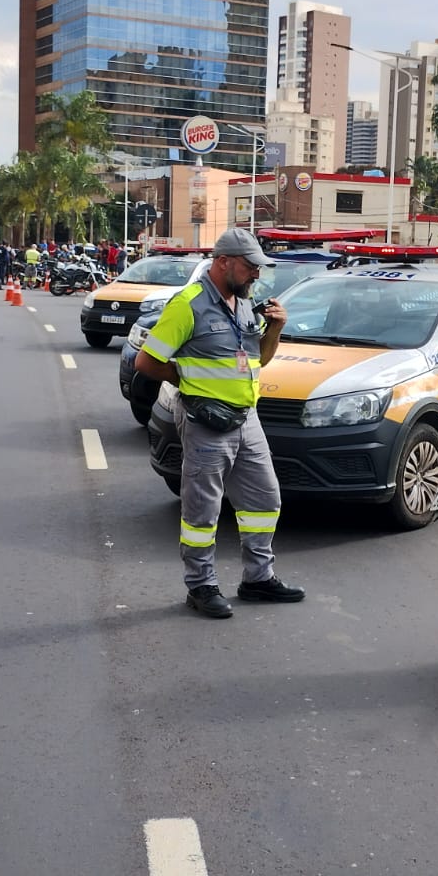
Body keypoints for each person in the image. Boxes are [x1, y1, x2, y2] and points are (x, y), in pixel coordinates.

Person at [135, 227, 304, 618]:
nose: (257, 275)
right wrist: (189, 385)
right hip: (206, 422)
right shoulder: (188, 304)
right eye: (250, 267)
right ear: (223, 262)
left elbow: (258, 360)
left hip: (247, 418)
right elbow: (146, 362)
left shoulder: (244, 303)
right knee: (202, 511)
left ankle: (258, 579)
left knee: (265, 501)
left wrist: (276, 328)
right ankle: (201, 586)